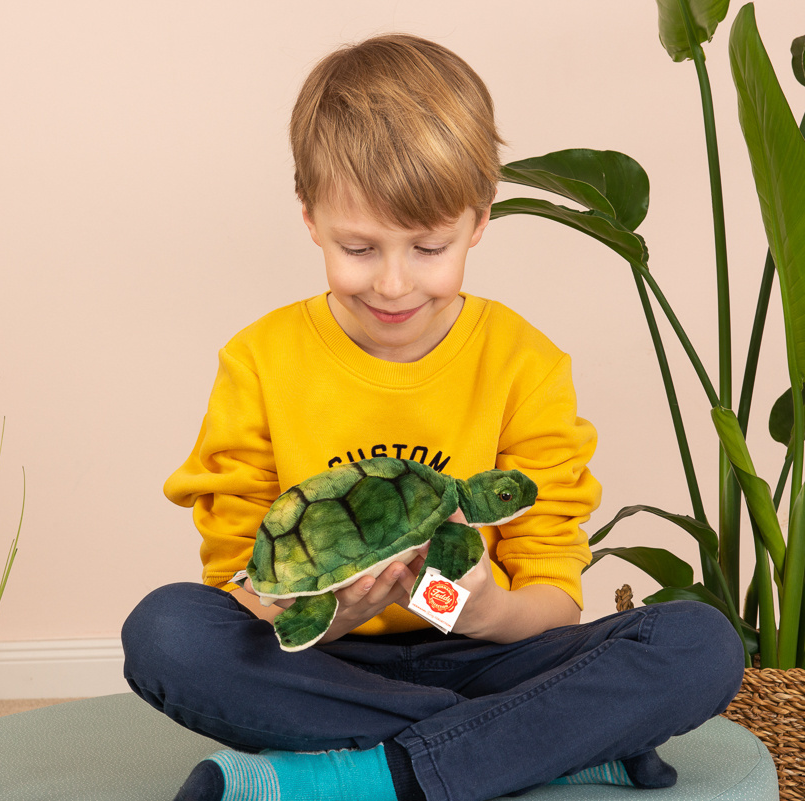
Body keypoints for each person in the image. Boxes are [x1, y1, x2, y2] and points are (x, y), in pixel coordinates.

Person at [122, 33, 744, 801]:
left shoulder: (524, 362)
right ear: (310, 216)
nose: (392, 283)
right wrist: (332, 614)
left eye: (428, 247)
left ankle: (374, 771)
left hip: (489, 653)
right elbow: (239, 587)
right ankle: (532, 744)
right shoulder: (260, 360)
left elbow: (553, 598)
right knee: (166, 633)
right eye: (359, 247)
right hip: (325, 663)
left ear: (479, 219)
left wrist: (488, 609)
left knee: (700, 642)